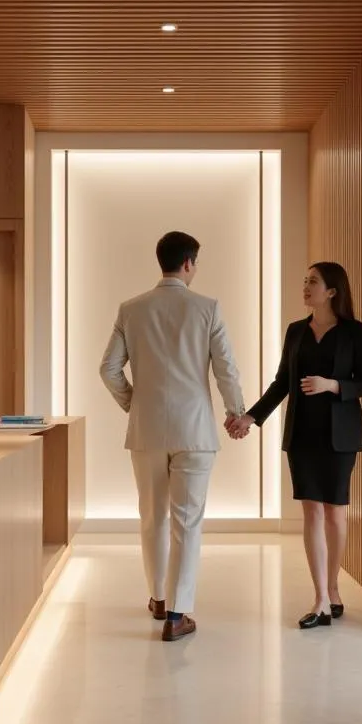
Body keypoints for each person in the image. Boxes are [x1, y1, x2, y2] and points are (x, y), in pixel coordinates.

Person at [99, 231, 245, 642]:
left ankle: (158, 599)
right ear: (187, 264)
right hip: (195, 431)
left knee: (152, 517)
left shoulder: (132, 309)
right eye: (195, 263)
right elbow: (226, 371)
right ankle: (178, 615)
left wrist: (135, 403)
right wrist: (237, 413)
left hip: (146, 430)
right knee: (187, 522)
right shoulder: (207, 308)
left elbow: (108, 369)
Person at [229, 262, 362, 629]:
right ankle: (321, 598)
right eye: (304, 280)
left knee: (335, 512)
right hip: (303, 433)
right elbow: (282, 383)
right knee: (311, 512)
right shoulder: (295, 331)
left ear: (332, 291)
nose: (305, 287)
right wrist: (250, 417)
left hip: (340, 433)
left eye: (313, 281)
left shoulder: (354, 332)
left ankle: (333, 586)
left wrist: (333, 385)